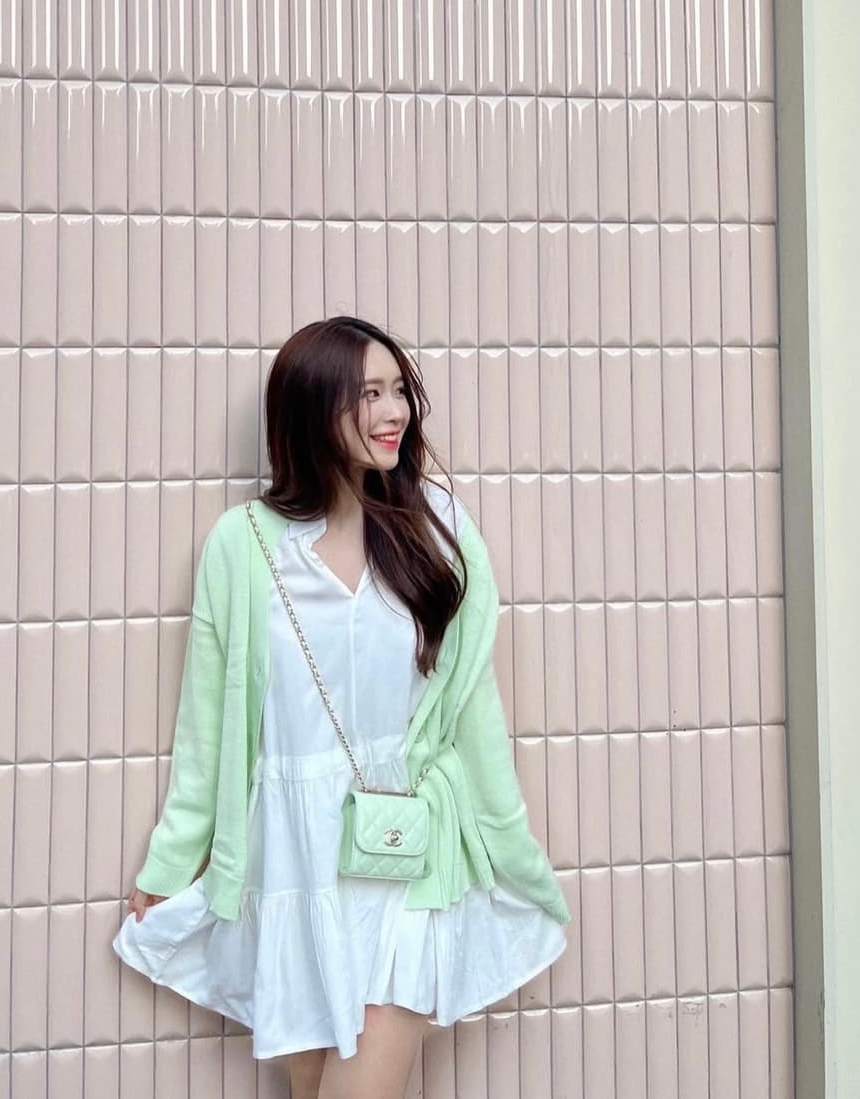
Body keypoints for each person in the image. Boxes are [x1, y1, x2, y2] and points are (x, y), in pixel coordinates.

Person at [112, 315, 573, 1099]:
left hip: (411, 851)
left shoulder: (438, 529)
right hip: (293, 858)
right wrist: (171, 859)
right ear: (311, 407)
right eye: (369, 394)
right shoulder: (242, 545)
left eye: (398, 390)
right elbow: (208, 730)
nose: (394, 412)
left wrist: (515, 853)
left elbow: (473, 713)